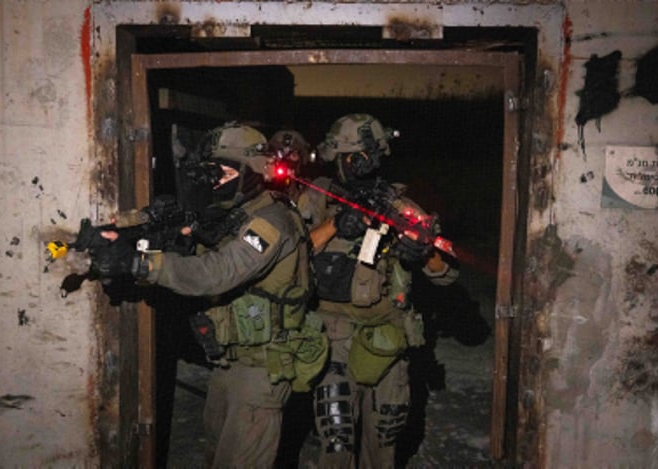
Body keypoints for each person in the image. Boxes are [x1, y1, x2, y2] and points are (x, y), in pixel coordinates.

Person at [92, 122, 327, 468]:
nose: (216, 181)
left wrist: (141, 265)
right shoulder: (234, 215)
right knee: (216, 457)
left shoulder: (272, 219)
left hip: (262, 369)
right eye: (211, 172)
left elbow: (217, 273)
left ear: (253, 172)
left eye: (224, 171)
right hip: (228, 362)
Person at [296, 113, 459, 468]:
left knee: (382, 444)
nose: (359, 165)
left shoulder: (399, 206)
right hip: (331, 338)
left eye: (365, 156)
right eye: (351, 157)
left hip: (387, 338)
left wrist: (422, 253)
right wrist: (335, 224)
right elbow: (290, 255)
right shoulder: (316, 199)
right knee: (336, 443)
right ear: (335, 157)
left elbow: (445, 274)